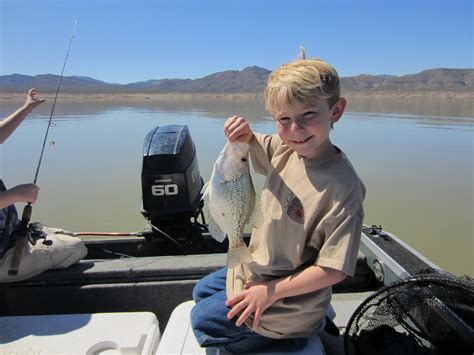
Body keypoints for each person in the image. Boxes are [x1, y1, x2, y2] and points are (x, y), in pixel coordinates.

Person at [191, 50, 366, 353]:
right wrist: (240, 133)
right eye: (284, 119)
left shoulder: (343, 188)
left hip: (288, 293)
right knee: (201, 290)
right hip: (264, 266)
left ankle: (297, 333)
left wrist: (269, 292)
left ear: (335, 111)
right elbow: (250, 144)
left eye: (308, 115)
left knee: (201, 320)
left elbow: (335, 269)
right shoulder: (285, 148)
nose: (295, 130)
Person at [0, 89, 87, 282]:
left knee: (66, 234)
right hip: (5, 256)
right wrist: (14, 195)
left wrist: (26, 109)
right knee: (75, 247)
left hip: (13, 236)